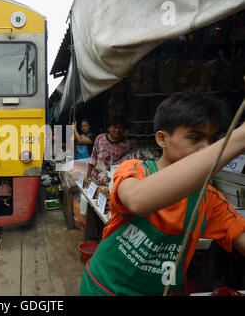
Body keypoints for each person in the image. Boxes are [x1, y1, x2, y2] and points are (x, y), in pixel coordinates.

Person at [79, 92, 245, 296]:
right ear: (162, 139)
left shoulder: (209, 199)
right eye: (195, 138)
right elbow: (138, 200)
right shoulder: (135, 170)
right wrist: (239, 138)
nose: (208, 148)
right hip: (103, 288)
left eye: (214, 140)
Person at [87, 116, 132, 185]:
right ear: (109, 128)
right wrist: (88, 177)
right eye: (115, 127)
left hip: (114, 180)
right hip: (95, 177)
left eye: (120, 128)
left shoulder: (127, 145)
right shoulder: (100, 138)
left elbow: (125, 165)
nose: (117, 130)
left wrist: (107, 168)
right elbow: (93, 158)